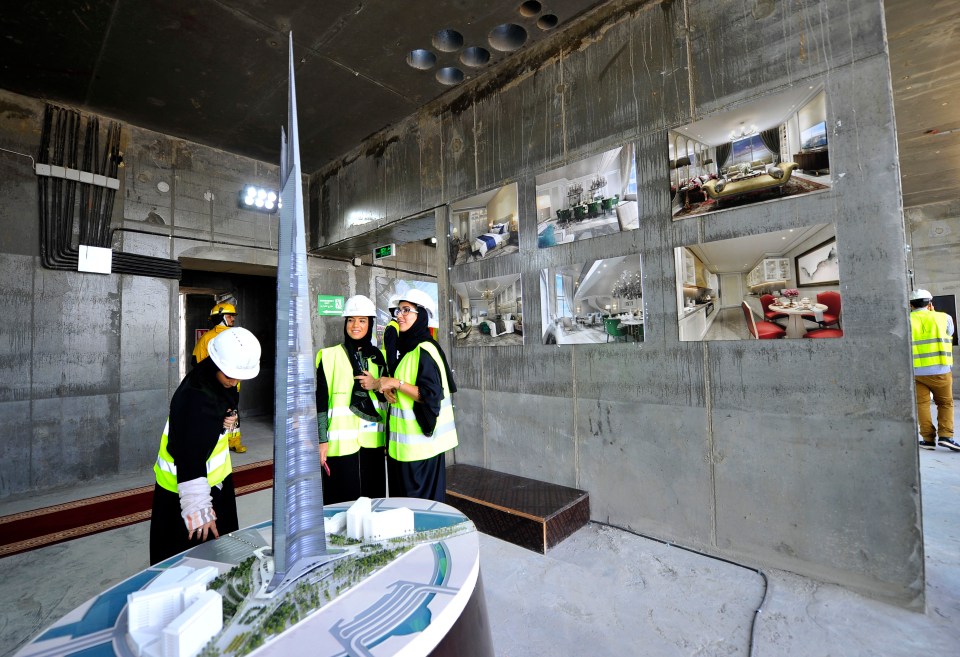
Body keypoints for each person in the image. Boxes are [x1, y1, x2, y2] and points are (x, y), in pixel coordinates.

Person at [149, 327, 261, 565]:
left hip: (215, 482)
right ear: (216, 362)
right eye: (230, 374)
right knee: (189, 564)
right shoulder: (195, 397)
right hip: (185, 488)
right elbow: (188, 455)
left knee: (221, 554)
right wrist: (197, 508)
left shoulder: (217, 380)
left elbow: (225, 403)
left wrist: (226, 418)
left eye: (239, 375)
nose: (235, 380)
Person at [358, 289, 458, 502]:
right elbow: (409, 387)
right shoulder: (409, 350)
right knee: (403, 510)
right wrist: (393, 388)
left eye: (406, 310)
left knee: (421, 513)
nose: (399, 315)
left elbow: (430, 395)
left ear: (421, 315)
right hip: (403, 452)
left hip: (421, 453)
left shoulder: (424, 350)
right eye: (398, 311)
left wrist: (395, 382)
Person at [315, 295, 388, 503]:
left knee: (373, 501)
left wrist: (377, 383)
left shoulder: (378, 357)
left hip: (373, 442)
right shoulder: (328, 356)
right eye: (351, 319)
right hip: (339, 444)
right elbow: (320, 403)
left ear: (370, 324)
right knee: (340, 502)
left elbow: (386, 398)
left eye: (362, 320)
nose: (355, 325)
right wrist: (321, 440)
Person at [192, 301, 248, 453]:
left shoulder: (235, 335)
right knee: (216, 411)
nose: (233, 319)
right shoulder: (208, 338)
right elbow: (196, 362)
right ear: (221, 317)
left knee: (233, 412)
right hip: (214, 386)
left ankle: (234, 441)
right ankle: (215, 441)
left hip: (233, 384)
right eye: (230, 316)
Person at [910, 289, 957, 451]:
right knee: (945, 403)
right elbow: (950, 334)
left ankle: (928, 439)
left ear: (910, 304)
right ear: (930, 303)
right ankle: (946, 436)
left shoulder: (906, 320)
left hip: (916, 372)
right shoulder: (945, 317)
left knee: (922, 404)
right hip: (941, 369)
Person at [382, 294, 401, 373]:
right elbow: (391, 355)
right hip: (392, 372)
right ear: (397, 312)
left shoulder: (397, 326)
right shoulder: (392, 328)